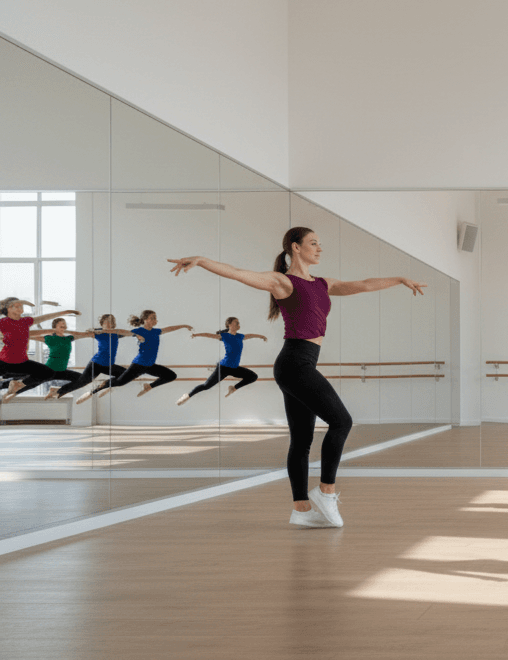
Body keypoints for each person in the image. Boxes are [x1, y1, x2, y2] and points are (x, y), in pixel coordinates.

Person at [169, 225, 427, 529]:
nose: (319, 248)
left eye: (319, 243)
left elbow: (363, 285)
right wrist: (201, 260)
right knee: (342, 422)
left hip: (301, 363)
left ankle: (301, 510)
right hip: (294, 364)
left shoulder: (323, 283)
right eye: (313, 243)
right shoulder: (282, 282)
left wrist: (399, 279)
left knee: (302, 440)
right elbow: (237, 273)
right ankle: (326, 492)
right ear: (295, 247)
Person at [80, 310, 192, 402]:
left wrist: (183, 326)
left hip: (150, 365)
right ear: (145, 320)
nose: (155, 320)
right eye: (152, 318)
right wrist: (97, 331)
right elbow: (120, 331)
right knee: (120, 382)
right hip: (138, 365)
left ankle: (149, 386)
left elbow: (170, 328)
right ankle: (94, 391)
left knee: (171, 376)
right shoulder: (139, 330)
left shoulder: (156, 331)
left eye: (155, 318)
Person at [0, 298, 80, 401]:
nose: (21, 308)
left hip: (22, 362)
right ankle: (6, 385)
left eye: (22, 306)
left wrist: (64, 312)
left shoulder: (25, 321)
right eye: (17, 306)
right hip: (5, 362)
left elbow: (44, 317)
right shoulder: (3, 322)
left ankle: (18, 384)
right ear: (8, 308)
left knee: (48, 373)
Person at [177, 317, 268, 405]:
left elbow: (250, 335)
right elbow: (209, 335)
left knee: (253, 377)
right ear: (229, 325)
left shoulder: (240, 336)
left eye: (238, 322)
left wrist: (261, 336)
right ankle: (188, 395)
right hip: (223, 368)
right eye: (236, 322)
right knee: (206, 386)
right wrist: (196, 335)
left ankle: (233, 388)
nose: (238, 323)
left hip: (234, 368)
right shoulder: (224, 336)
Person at [52, 314, 139, 400]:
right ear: (102, 323)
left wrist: (140, 331)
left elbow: (131, 333)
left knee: (128, 375)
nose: (108, 324)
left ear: (113, 324)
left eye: (111, 322)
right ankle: (58, 390)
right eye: (106, 322)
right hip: (96, 364)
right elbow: (82, 334)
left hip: (108, 365)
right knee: (82, 382)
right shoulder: (98, 333)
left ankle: (104, 385)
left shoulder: (116, 333)